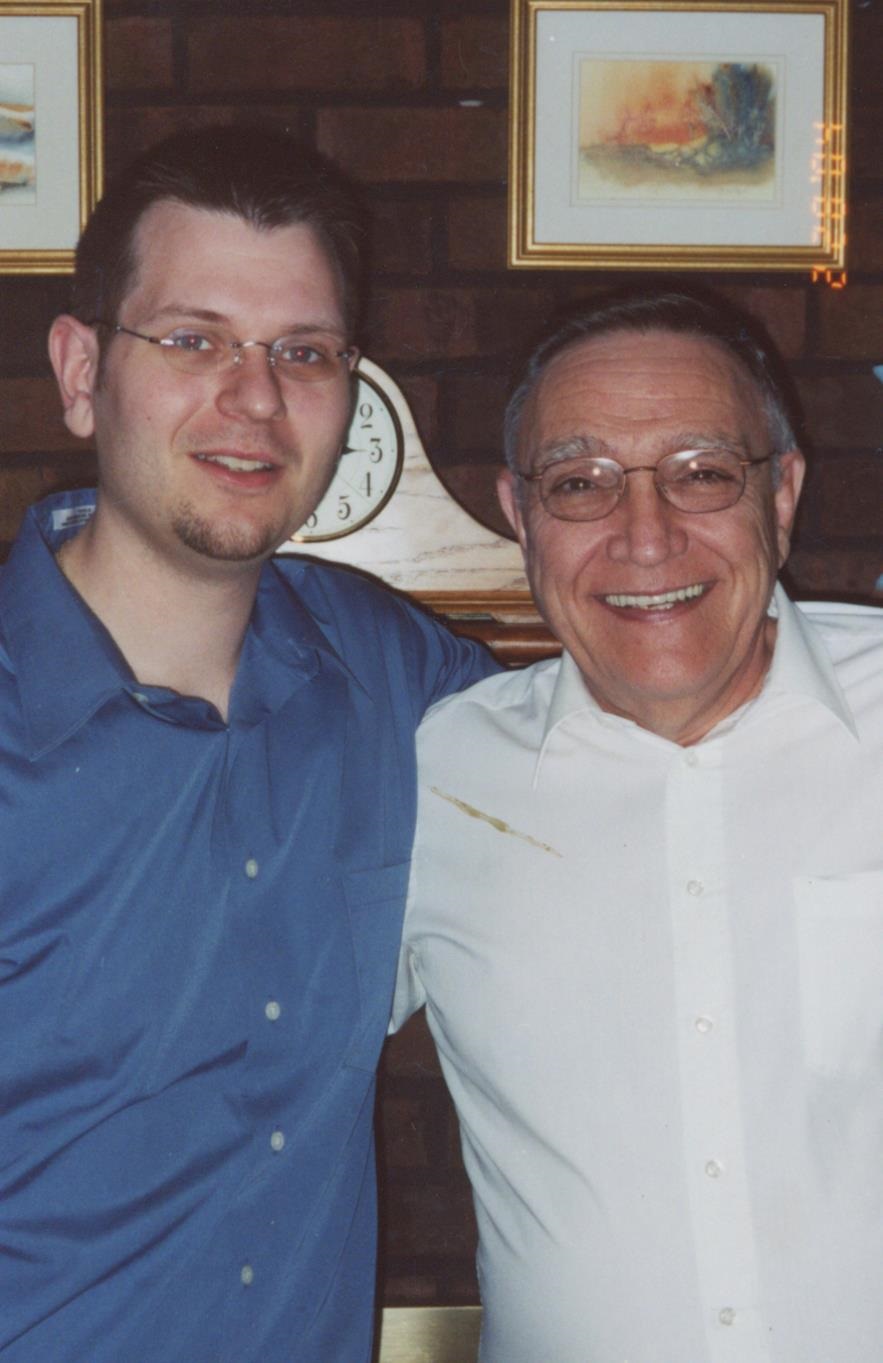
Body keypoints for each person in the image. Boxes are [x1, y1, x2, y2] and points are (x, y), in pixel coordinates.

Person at [0, 125, 494, 1363]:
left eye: (303, 351)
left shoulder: (395, 672)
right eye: (193, 339)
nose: (255, 397)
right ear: (80, 371)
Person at [393, 285, 883, 1363]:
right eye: (581, 484)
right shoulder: (430, 778)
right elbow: (244, 1060)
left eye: (701, 473)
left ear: (782, 494)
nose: (647, 537)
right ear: (519, 513)